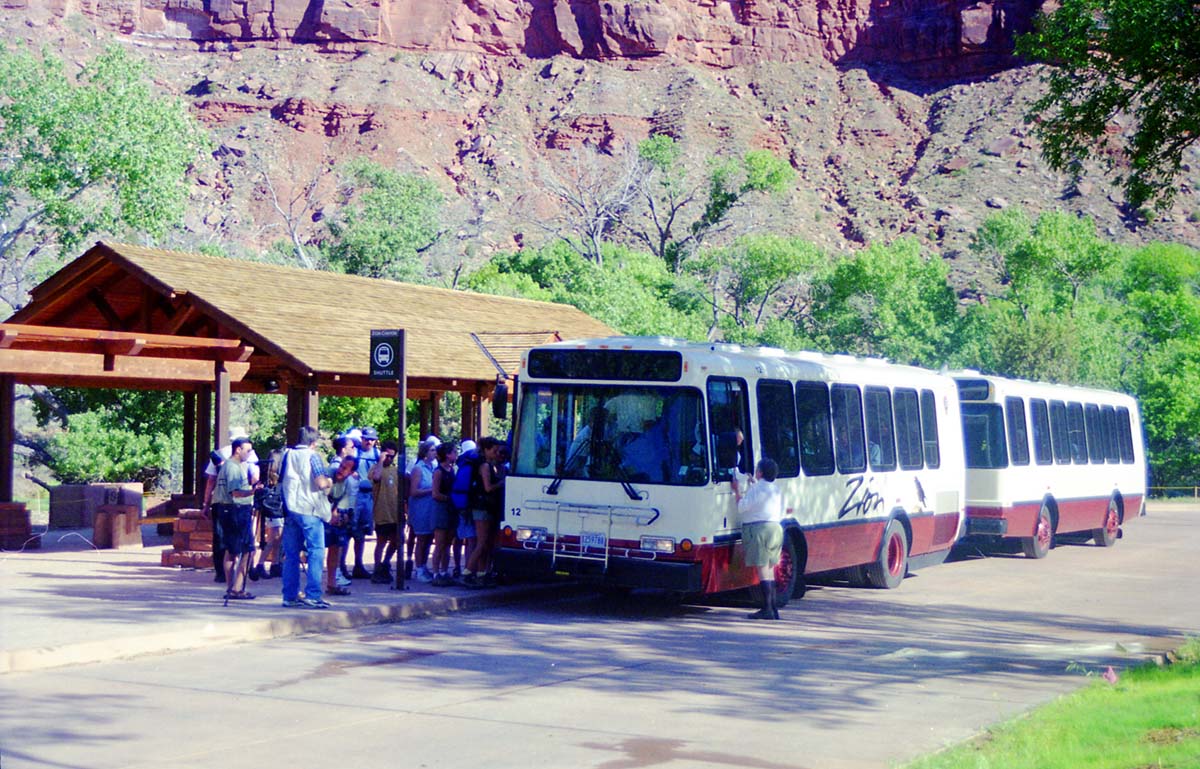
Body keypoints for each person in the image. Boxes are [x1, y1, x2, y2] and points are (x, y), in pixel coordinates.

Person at [280, 425, 333, 609]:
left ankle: (289, 595)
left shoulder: (287, 454)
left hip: (291, 508)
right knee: (316, 552)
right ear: (313, 442)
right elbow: (320, 483)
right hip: (310, 509)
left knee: (291, 555)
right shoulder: (313, 456)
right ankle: (313, 594)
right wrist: (329, 482)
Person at [734, 457, 784, 620]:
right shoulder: (775, 489)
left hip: (759, 529)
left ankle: (767, 608)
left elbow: (742, 507)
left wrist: (737, 491)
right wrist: (753, 483)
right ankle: (773, 607)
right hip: (775, 528)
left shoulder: (756, 490)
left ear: (760, 472)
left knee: (762, 570)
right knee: (770, 569)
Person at [201, 444, 260, 582]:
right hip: (235, 508)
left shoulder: (223, 460)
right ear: (238, 449)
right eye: (248, 450)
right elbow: (237, 491)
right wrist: (253, 491)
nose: (250, 452)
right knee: (244, 548)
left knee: (224, 544)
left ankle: (223, 577)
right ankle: (236, 586)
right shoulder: (234, 466)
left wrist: (206, 503)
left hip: (221, 506)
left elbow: (211, 481)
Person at [462, 436, 504, 588]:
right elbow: (487, 487)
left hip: (486, 507)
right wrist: (501, 483)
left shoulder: (490, 465)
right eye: (494, 450)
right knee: (481, 542)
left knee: (486, 543)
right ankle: (467, 572)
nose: (496, 453)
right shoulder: (484, 466)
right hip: (481, 508)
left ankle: (481, 573)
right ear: (486, 450)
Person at [325, 436, 358, 596]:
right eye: (342, 466)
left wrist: (342, 516)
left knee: (335, 549)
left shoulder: (351, 484)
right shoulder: (329, 473)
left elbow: (348, 507)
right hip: (322, 513)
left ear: (352, 472)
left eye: (346, 468)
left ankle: (331, 584)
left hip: (338, 516)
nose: (341, 470)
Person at [348, 426, 382, 579]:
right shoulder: (354, 453)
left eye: (372, 439)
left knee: (363, 531)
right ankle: (342, 564)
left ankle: (358, 564)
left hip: (370, 496)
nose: (369, 442)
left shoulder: (377, 455)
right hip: (355, 496)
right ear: (361, 439)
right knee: (350, 530)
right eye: (366, 439)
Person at [369, 440, 402, 584]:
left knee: (397, 541)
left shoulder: (395, 471)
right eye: (387, 455)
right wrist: (381, 461)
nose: (389, 459)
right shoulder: (375, 469)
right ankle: (377, 568)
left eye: (392, 456)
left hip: (395, 512)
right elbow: (376, 478)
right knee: (381, 542)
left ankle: (386, 563)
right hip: (381, 512)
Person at [250, 449, 285, 581]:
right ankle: (260, 563)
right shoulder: (269, 478)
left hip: (277, 508)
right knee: (274, 537)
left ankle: (275, 563)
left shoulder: (276, 476)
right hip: (273, 509)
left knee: (278, 537)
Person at [407, 438, 438, 582]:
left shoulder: (433, 467)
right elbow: (414, 491)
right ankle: (419, 568)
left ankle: (425, 566)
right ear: (425, 453)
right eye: (432, 450)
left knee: (429, 538)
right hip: (420, 508)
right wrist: (433, 490)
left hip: (431, 508)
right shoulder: (418, 468)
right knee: (421, 538)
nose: (435, 453)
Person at [429, 441, 459, 586]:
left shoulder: (452, 470)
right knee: (440, 543)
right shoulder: (439, 472)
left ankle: (444, 571)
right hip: (441, 509)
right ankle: (435, 572)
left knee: (448, 543)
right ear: (447, 455)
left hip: (451, 510)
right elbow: (435, 494)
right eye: (454, 452)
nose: (456, 454)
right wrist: (450, 498)